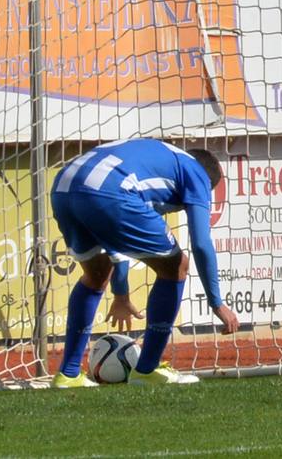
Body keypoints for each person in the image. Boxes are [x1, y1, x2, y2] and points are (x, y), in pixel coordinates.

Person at [49, 139, 240, 387]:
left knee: (96, 275)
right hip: (110, 192)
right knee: (176, 266)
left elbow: (115, 240)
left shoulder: (158, 158)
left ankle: (68, 375)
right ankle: (146, 370)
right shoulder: (197, 173)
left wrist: (121, 294)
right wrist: (217, 303)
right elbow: (201, 243)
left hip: (64, 186)